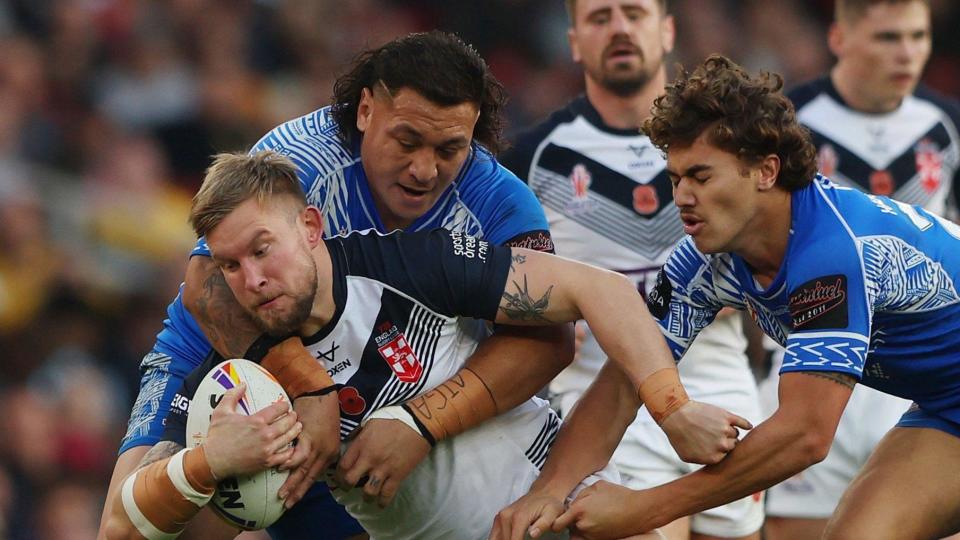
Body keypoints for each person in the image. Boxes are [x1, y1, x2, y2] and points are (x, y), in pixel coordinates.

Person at [103, 150, 746, 539]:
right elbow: (122, 527)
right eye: (231, 266)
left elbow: (601, 291)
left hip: (561, 505)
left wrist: (673, 408)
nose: (252, 280)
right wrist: (207, 464)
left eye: (261, 249)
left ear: (309, 228)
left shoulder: (409, 265)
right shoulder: (237, 381)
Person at [98, 31, 577, 540]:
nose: (423, 169)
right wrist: (309, 385)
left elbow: (549, 340)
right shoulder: (302, 159)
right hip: (219, 351)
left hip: (376, 397)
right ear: (366, 110)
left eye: (449, 148)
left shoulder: (501, 204)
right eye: (407, 141)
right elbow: (207, 285)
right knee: (123, 532)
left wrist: (423, 422)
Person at [491, 54, 960, 540]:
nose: (681, 197)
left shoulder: (829, 254)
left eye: (701, 176)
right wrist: (547, 490)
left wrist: (644, 510)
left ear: (765, 170)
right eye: (675, 179)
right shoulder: (701, 260)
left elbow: (805, 435)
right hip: (947, 405)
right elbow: (625, 380)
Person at [499, 1, 763, 538]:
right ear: (573, 41)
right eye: (599, 18)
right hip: (600, 404)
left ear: (666, 30)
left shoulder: (729, 144)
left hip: (722, 390)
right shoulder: (532, 157)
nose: (619, 28)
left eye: (634, 13)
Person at [760, 1, 960, 537]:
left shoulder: (945, 124)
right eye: (888, 37)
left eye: (918, 37)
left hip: (927, 361)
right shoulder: (788, 124)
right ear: (840, 38)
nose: (908, 53)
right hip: (818, 361)